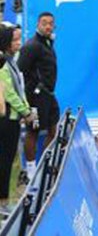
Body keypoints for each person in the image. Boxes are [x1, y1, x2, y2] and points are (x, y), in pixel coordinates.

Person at [18, 12, 59, 180]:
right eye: (44, 23)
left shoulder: (48, 43)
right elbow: (21, 70)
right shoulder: (31, 46)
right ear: (37, 24)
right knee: (33, 132)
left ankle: (44, 164)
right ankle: (31, 170)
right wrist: (33, 91)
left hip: (49, 95)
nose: (48, 26)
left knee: (53, 129)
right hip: (35, 97)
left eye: (50, 23)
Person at [0, 25, 33, 214]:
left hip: (14, 118)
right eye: (14, 40)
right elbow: (10, 94)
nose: (18, 43)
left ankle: (9, 197)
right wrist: (25, 111)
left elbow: (19, 88)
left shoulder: (11, 61)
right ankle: (3, 201)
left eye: (19, 39)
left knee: (10, 160)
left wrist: (26, 109)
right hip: (6, 119)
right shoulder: (3, 63)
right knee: (6, 161)